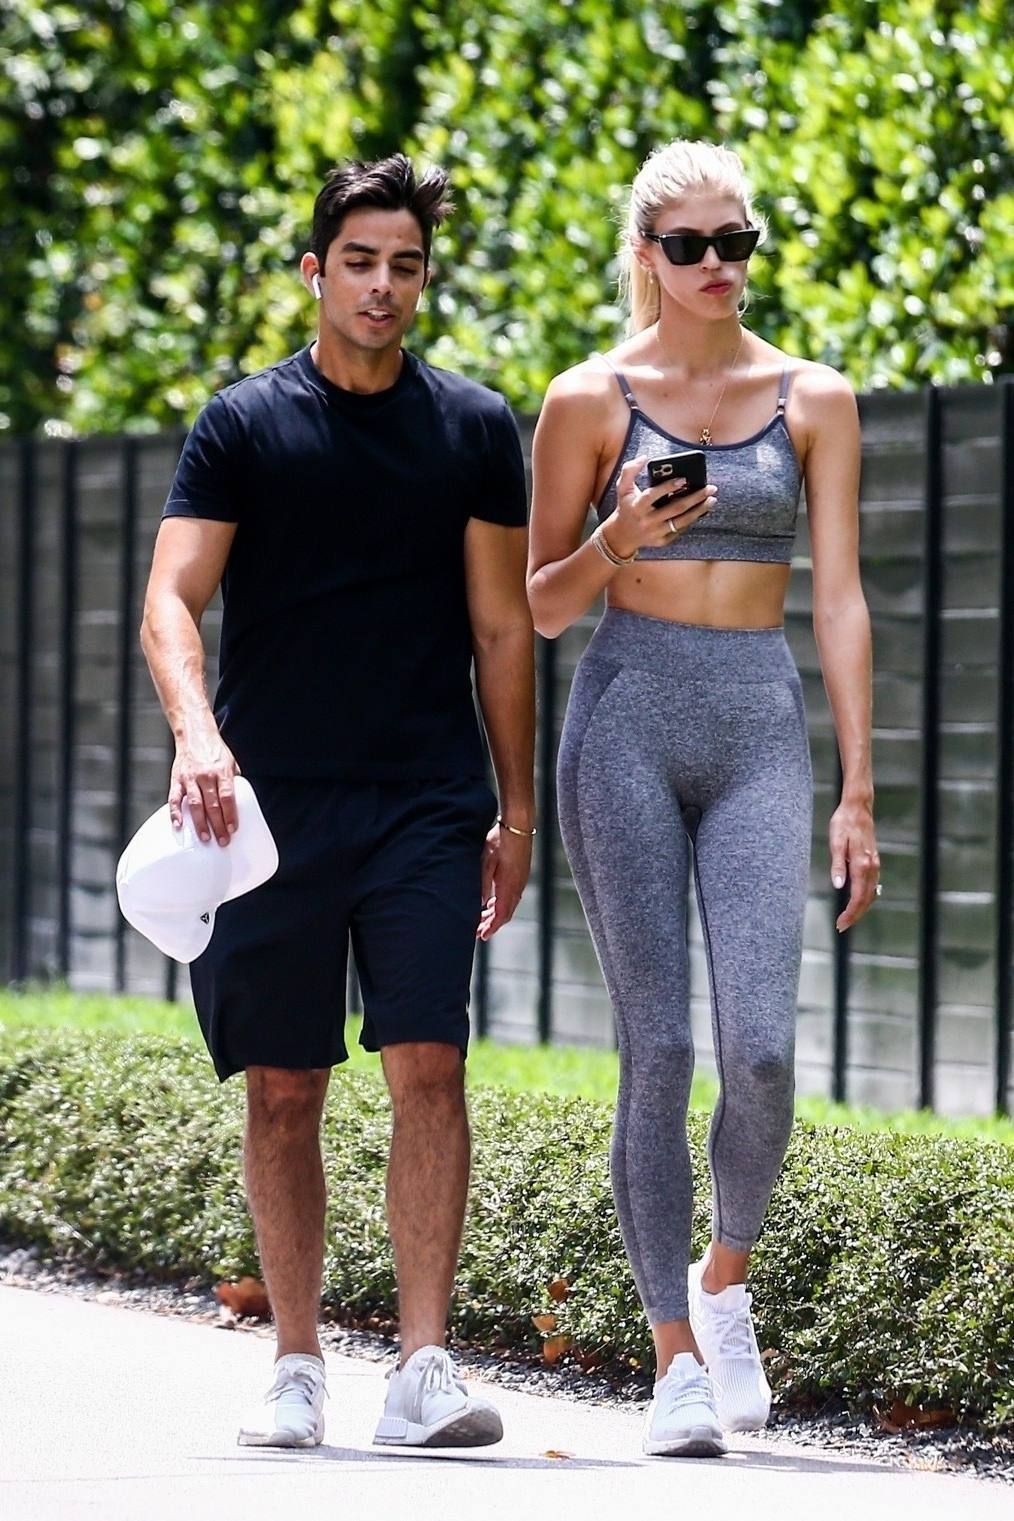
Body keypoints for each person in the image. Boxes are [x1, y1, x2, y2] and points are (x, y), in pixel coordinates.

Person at [140, 153, 535, 1450]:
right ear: (317, 271)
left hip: (425, 798)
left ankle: (422, 1367)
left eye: (404, 266)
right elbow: (169, 602)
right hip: (267, 811)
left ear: (424, 280)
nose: (381, 286)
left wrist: (515, 811)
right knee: (284, 1086)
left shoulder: (473, 428)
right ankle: (297, 1363)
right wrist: (198, 737)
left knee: (431, 1061)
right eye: (359, 262)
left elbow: (501, 629)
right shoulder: (243, 424)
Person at [528, 139, 880, 1458]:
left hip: (756, 723)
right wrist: (614, 538)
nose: (718, 264)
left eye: (735, 241)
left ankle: (721, 1281)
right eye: (691, 245)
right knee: (660, 1050)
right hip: (624, 712)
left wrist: (856, 788)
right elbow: (537, 604)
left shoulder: (814, 397)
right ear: (647, 257)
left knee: (764, 1050)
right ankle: (672, 1360)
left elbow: (839, 598)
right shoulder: (586, 399)